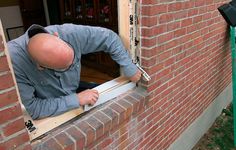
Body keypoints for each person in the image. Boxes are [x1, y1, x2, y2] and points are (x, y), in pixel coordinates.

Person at [8, 24, 142, 120]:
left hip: (73, 93)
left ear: (57, 36)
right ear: (40, 67)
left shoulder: (70, 34)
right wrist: (76, 99)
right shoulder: (13, 61)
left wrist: (129, 68)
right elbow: (34, 109)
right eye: (65, 68)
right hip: (52, 109)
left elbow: (109, 37)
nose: (72, 67)